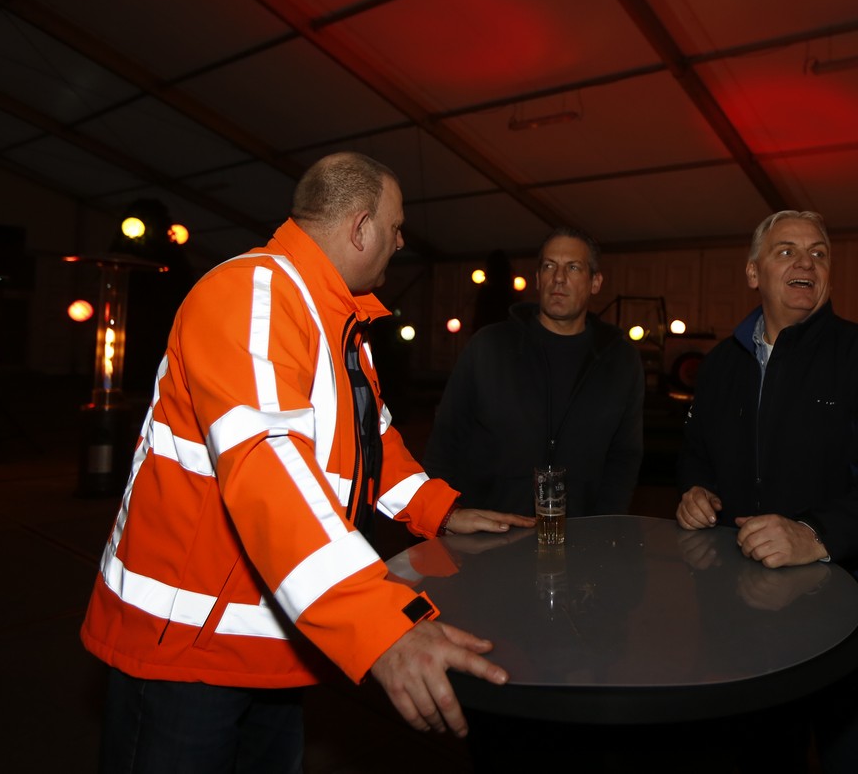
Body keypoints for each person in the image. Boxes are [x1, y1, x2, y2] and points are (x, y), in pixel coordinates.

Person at [80, 152, 533, 772]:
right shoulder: (254, 295)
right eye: (396, 227)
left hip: (277, 639)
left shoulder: (338, 320)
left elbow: (373, 440)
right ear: (361, 227)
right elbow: (268, 468)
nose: (402, 242)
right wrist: (378, 622)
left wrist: (438, 510)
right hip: (189, 651)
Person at [675, 210, 858, 773]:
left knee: (857, 758)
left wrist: (814, 535)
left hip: (853, 615)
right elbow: (697, 451)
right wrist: (696, 489)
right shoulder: (720, 366)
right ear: (753, 272)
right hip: (741, 611)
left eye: (819, 253)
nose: (806, 262)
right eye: (787, 250)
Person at [424, 226, 644, 517]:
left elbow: (624, 456)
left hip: (582, 533)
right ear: (538, 279)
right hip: (489, 530)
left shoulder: (621, 360)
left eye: (573, 267)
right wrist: (445, 516)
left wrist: (605, 525)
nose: (559, 278)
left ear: (595, 282)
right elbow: (445, 441)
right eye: (549, 266)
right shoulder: (489, 346)